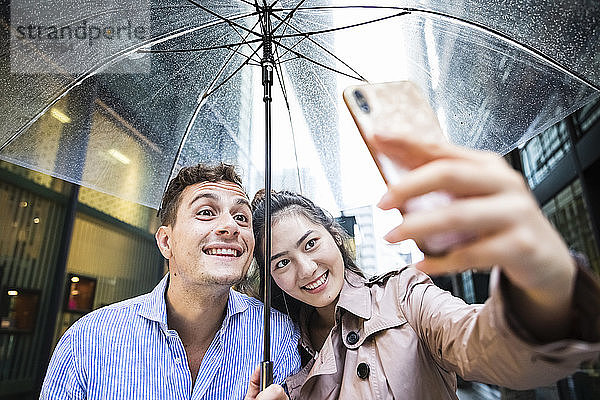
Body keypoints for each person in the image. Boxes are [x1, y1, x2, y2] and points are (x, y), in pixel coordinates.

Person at [248, 133, 600, 399]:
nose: (306, 269)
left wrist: (545, 293)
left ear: (336, 238)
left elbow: (485, 346)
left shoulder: (402, 295)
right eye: (282, 263)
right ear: (271, 278)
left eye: (311, 244)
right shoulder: (274, 346)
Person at [40, 163, 301, 399]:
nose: (231, 226)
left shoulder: (278, 336)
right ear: (166, 241)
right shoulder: (87, 340)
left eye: (241, 217)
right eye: (207, 212)